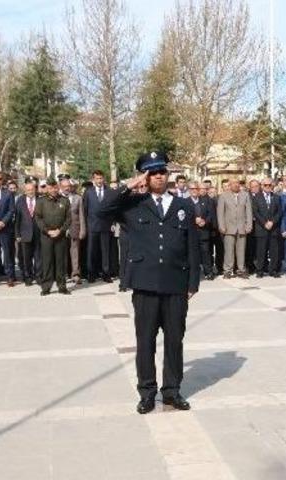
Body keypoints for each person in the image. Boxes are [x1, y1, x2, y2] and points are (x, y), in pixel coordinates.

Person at [98, 151, 200, 414]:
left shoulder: (183, 205)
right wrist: (129, 185)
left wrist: (193, 282)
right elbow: (101, 210)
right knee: (145, 341)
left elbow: (192, 245)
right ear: (145, 176)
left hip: (176, 283)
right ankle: (147, 392)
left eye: (162, 171)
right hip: (145, 284)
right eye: (152, 172)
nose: (158, 176)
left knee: (175, 340)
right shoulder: (133, 204)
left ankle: (172, 391)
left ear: (168, 175)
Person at [34, 177, 71, 295]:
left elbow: (68, 218)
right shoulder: (41, 201)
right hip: (46, 236)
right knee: (47, 262)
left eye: (55, 187)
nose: (53, 190)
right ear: (47, 189)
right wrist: (47, 231)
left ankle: (62, 286)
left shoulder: (64, 200)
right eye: (50, 188)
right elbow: (38, 218)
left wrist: (60, 230)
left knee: (61, 262)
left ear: (58, 187)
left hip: (60, 235)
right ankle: (46, 287)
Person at [216, 178, 252, 279]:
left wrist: (249, 225)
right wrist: (221, 226)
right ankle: (227, 270)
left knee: (241, 250)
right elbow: (220, 213)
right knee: (229, 251)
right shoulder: (223, 196)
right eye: (233, 183)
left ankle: (241, 270)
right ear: (230, 185)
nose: (236, 185)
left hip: (242, 227)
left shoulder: (245, 195)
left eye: (237, 183)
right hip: (228, 227)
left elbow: (248, 211)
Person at [84, 170, 113, 283]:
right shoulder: (88, 192)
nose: (99, 181)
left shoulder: (109, 191)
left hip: (106, 226)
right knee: (92, 251)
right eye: (97, 178)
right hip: (92, 226)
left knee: (105, 251)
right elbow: (85, 209)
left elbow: (112, 208)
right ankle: (91, 274)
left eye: (101, 178)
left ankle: (106, 274)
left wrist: (112, 223)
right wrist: (86, 226)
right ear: (93, 179)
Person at [252, 177, 282, 278]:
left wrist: (272, 222)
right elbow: (256, 212)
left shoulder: (276, 197)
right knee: (261, 251)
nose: (268, 187)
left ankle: (273, 270)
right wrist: (265, 223)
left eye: (270, 185)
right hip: (261, 228)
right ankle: (260, 270)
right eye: (265, 185)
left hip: (273, 229)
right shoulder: (256, 197)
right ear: (262, 186)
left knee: (274, 251)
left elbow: (279, 212)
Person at [15, 179, 41, 286]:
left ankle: (39, 276)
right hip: (24, 233)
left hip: (38, 233)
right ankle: (28, 277)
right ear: (25, 191)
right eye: (28, 190)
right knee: (26, 258)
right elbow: (17, 219)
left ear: (35, 189)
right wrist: (17, 234)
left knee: (39, 257)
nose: (30, 191)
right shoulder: (20, 200)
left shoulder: (40, 200)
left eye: (32, 189)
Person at [61, 178, 87, 285]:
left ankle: (75, 274)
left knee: (75, 252)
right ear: (60, 186)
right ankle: (63, 274)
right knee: (62, 253)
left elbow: (81, 215)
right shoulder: (57, 198)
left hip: (74, 229)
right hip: (61, 230)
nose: (67, 188)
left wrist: (83, 230)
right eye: (65, 186)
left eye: (69, 186)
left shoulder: (78, 198)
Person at [188, 181, 216, 280]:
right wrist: (194, 220)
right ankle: (193, 273)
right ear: (189, 190)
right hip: (192, 233)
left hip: (204, 231)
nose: (194, 191)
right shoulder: (185, 202)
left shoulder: (205, 200)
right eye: (192, 189)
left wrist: (205, 221)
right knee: (192, 254)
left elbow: (210, 214)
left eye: (196, 189)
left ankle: (208, 272)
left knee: (206, 252)